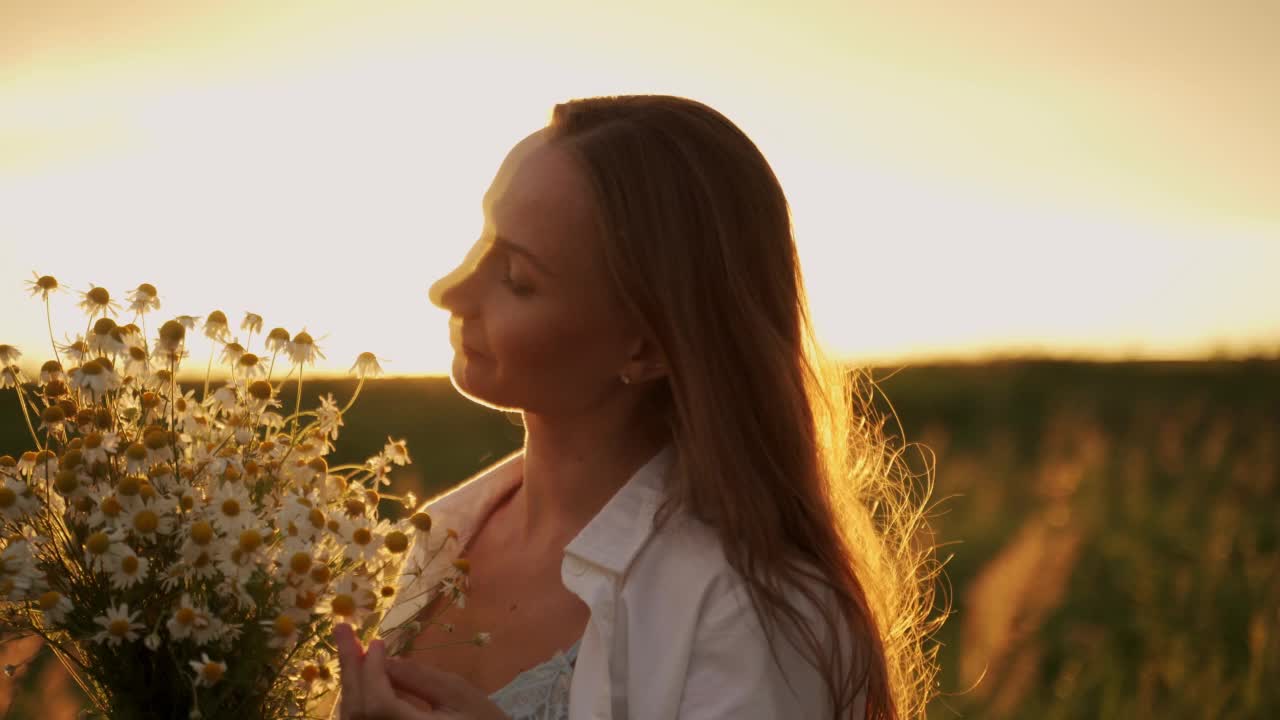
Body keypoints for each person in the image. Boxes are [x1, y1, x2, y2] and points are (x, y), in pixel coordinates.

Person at [332, 95, 941, 720]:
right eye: (482, 240)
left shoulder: (750, 610)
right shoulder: (443, 531)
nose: (448, 291)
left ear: (647, 347)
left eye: (516, 276)